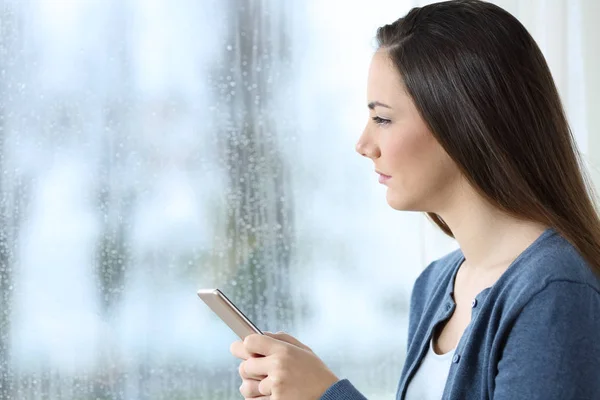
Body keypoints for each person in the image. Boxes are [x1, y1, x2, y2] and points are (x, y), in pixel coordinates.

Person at [230, 0, 600, 399]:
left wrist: (326, 394)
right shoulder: (435, 285)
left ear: (462, 122)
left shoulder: (553, 289)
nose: (363, 144)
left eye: (383, 119)